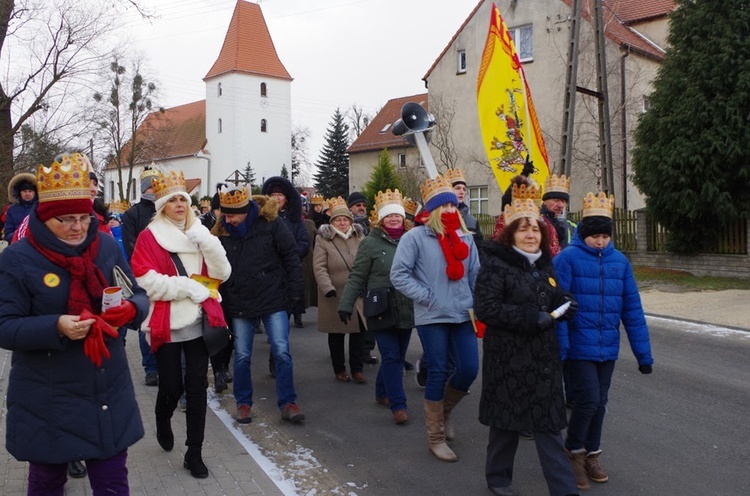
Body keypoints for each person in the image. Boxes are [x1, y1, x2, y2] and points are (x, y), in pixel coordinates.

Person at [0, 152, 150, 495]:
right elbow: (5, 326)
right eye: (66, 219)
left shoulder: (106, 247)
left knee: (113, 484)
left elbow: (138, 294)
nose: (78, 227)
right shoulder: (18, 259)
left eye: (84, 217)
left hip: (105, 391)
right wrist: (56, 326)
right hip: (47, 397)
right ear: (44, 218)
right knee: (47, 484)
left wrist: (131, 310)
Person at [474, 197, 580, 496]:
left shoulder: (544, 263)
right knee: (505, 426)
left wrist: (565, 302)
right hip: (507, 359)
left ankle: (564, 490)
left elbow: (554, 293)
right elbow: (487, 309)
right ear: (510, 234)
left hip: (542, 360)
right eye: (523, 229)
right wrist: (531, 318)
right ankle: (498, 479)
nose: (531, 234)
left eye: (535, 229)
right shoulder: (495, 265)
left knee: (549, 427)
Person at [130, 169, 232, 479]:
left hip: (201, 318)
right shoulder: (150, 236)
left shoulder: (199, 232)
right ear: (162, 205)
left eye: (182, 199)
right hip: (168, 319)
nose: (178, 204)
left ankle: (194, 452)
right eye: (172, 200)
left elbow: (221, 273)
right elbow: (145, 279)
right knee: (171, 385)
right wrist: (186, 287)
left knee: (198, 386)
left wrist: (208, 242)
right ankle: (163, 418)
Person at [553, 192, 654, 490]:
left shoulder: (619, 263)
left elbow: (632, 310)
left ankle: (592, 453)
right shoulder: (567, 259)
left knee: (601, 403)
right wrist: (561, 348)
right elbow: (558, 307)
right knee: (588, 400)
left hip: (607, 347)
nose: (600, 241)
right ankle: (573, 451)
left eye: (604, 236)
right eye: (594, 235)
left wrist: (643, 355)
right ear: (583, 234)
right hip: (577, 347)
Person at [390, 174, 480, 462]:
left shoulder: (466, 238)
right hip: (432, 315)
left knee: (468, 369)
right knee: (439, 370)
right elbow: (399, 275)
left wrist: (478, 304)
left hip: (463, 313)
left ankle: (445, 413)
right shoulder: (414, 237)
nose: (452, 211)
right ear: (433, 210)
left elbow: (476, 275)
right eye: (446, 207)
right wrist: (426, 296)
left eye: (454, 206)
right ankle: (436, 436)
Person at [211, 185, 306, 425]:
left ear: (245, 211)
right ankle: (243, 404)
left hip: (273, 298)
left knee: (282, 351)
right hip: (240, 299)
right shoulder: (221, 231)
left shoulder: (271, 224)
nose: (227, 219)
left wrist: (296, 292)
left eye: (231, 214)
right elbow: (215, 268)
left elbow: (291, 256)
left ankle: (288, 403)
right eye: (225, 214)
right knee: (242, 356)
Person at [339, 189, 415, 424]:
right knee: (391, 356)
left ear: (403, 218)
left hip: (407, 307)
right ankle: (398, 405)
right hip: (381, 309)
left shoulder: (412, 240)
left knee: (398, 355)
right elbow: (358, 276)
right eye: (389, 216)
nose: (394, 219)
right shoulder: (369, 243)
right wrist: (346, 304)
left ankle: (382, 391)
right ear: (381, 219)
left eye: (398, 216)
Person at [313, 197, 367, 383]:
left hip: (356, 293)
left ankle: (357, 369)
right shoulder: (323, 240)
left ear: (351, 221)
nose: (342, 223)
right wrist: (327, 287)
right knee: (336, 333)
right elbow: (319, 267)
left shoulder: (360, 237)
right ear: (332, 222)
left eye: (345, 219)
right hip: (334, 292)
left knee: (358, 332)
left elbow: (368, 262)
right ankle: (339, 369)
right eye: (338, 220)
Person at [122, 166, 161, 387]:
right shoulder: (132, 214)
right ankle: (150, 367)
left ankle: (163, 362)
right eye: (151, 186)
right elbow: (131, 245)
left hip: (166, 273)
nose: (154, 190)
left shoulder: (164, 209)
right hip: (144, 273)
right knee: (146, 321)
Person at [262, 176, 309, 329]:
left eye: (280, 195)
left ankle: (279, 337)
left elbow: (304, 243)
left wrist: (291, 255)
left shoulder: (295, 220)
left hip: (288, 271)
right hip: (266, 272)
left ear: (286, 199)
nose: (276, 198)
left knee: (284, 310)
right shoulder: (261, 220)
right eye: (273, 195)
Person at [446, 167, 483, 243]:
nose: (462, 192)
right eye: (457, 188)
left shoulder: (472, 221)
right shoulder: (439, 218)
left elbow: (479, 248)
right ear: (449, 190)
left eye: (464, 189)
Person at [541, 174, 577, 249]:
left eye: (563, 201)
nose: (560, 205)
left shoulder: (573, 226)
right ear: (545, 201)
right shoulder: (536, 222)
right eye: (556, 200)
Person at [3, 172, 37, 242]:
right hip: (17, 244)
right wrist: (19, 235)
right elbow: (8, 233)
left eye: (30, 191)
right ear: (20, 193)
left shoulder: (40, 207)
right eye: (24, 191)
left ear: (35, 192)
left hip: (37, 244)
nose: (27, 194)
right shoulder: (11, 210)